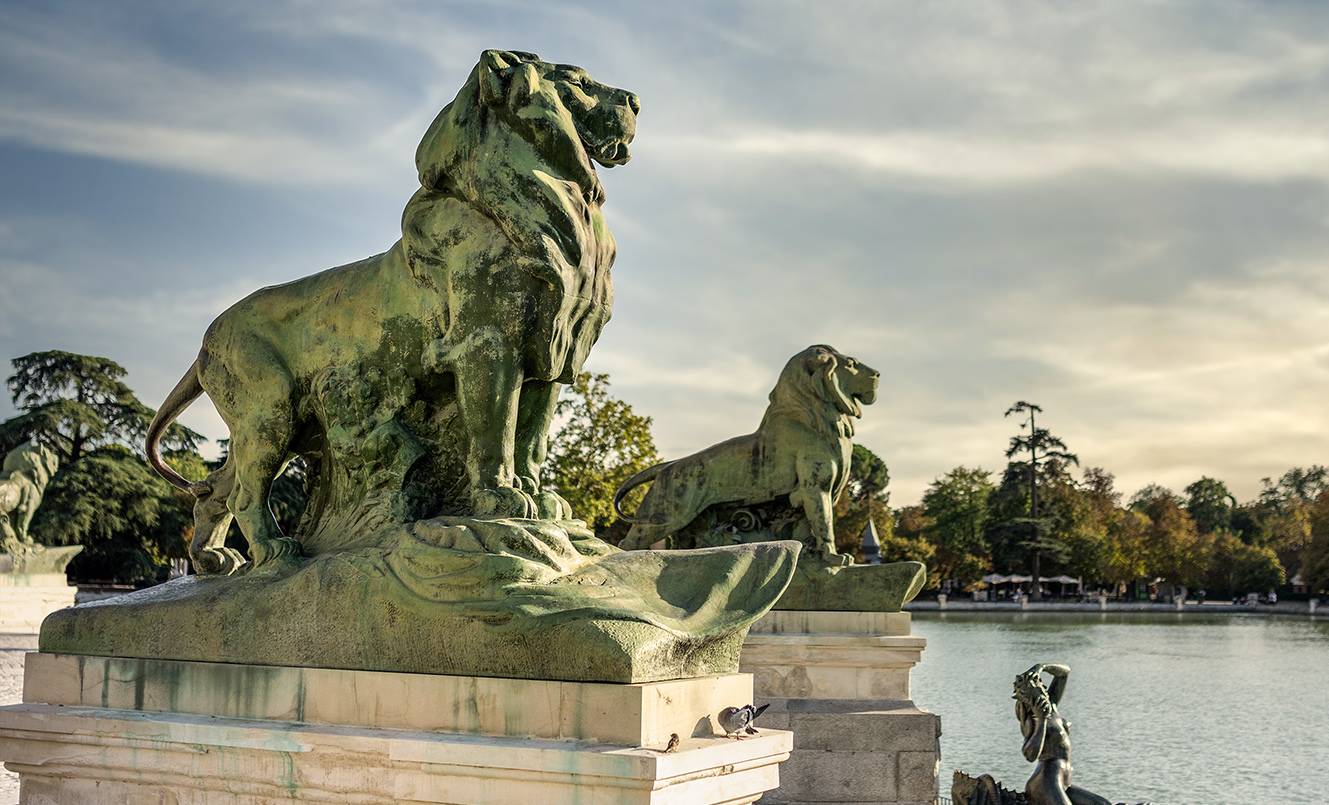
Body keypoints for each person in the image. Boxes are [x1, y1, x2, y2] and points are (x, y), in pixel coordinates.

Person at [1013, 664, 1112, 805]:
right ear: (1028, 697)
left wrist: (1041, 667)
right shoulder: (1032, 720)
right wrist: (1042, 720)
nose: (1043, 691)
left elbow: (1064, 673)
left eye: (1042, 686)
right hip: (1046, 783)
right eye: (1038, 689)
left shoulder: (1052, 707)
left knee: (1102, 804)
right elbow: (1030, 755)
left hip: (1063, 781)